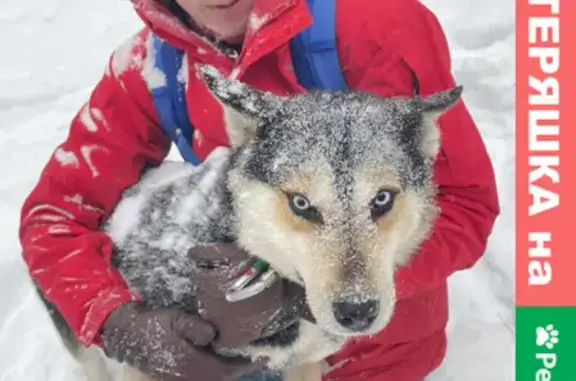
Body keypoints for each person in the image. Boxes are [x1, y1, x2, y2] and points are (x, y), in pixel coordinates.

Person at [19, 0, 500, 380]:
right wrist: (117, 325)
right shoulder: (150, 67)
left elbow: (465, 202)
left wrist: (296, 294)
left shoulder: (375, 24)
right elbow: (54, 216)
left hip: (380, 360)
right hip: (232, 342)